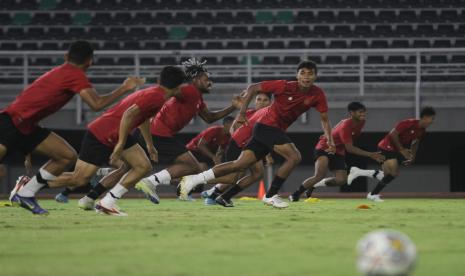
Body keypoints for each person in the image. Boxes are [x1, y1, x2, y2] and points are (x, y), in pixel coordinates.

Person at [11, 65, 186, 216]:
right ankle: (28, 184)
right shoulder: (156, 97)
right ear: (178, 87)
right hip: (104, 133)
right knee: (79, 179)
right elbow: (128, 115)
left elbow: (143, 119)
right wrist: (119, 144)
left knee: (143, 166)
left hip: (115, 131)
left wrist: (149, 144)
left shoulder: (155, 94)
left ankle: (107, 203)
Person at [3, 40, 144, 214]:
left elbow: (29, 102)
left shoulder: (61, 72)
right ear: (90, 61)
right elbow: (96, 104)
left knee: (66, 156)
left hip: (26, 126)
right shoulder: (75, 74)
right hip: (10, 124)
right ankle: (25, 190)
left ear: (66, 56)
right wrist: (124, 88)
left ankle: (26, 193)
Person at [179, 60, 335, 209]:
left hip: (270, 131)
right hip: (266, 127)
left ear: (315, 76)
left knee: (239, 166)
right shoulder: (284, 86)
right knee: (294, 157)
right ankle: (270, 195)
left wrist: (330, 140)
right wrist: (241, 113)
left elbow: (325, 119)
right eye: (303, 73)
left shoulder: (317, 94)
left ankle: (195, 180)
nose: (306, 76)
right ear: (297, 75)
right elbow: (253, 87)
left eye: (310, 73)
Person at [118, 58, 242, 206]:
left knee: (129, 167)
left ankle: (102, 197)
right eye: (206, 79)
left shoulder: (198, 99)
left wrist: (233, 107)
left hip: (158, 133)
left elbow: (210, 117)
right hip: (158, 132)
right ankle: (150, 181)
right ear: (195, 79)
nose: (210, 82)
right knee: (192, 166)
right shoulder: (189, 90)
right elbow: (168, 90)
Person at [289, 102, 385, 201]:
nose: (363, 114)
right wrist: (370, 154)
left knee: (341, 180)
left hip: (338, 151)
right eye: (360, 112)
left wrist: (332, 134)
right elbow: (350, 148)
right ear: (351, 113)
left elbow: (341, 132)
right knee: (319, 175)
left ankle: (315, 185)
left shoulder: (361, 122)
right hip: (325, 147)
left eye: (364, 112)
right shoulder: (346, 125)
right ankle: (295, 195)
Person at [347, 106, 436, 202]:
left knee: (387, 176)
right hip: (386, 146)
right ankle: (372, 194)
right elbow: (393, 134)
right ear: (425, 117)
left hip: (393, 149)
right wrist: (402, 150)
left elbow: (415, 143)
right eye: (432, 118)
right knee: (394, 173)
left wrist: (412, 156)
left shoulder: (422, 131)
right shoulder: (408, 123)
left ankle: (358, 172)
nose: (432, 121)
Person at [201, 93, 272, 206]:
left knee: (257, 174)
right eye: (259, 99)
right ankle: (200, 183)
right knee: (233, 177)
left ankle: (218, 195)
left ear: (270, 102)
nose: (261, 102)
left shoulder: (269, 116)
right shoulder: (248, 113)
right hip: (239, 147)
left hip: (252, 148)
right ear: (255, 101)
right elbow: (233, 130)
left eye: (265, 100)